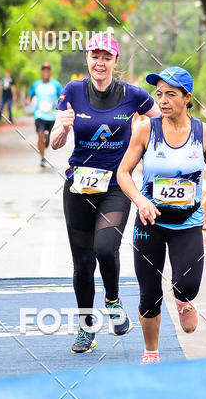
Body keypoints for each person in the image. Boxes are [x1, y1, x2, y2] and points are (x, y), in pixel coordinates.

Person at [117, 66, 206, 364]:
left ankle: (182, 300)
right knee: (149, 294)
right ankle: (151, 352)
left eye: (171, 95)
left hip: (187, 222)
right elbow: (123, 173)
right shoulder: (145, 130)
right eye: (159, 94)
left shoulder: (205, 133)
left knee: (188, 285)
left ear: (187, 98)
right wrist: (140, 201)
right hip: (149, 223)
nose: (163, 101)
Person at [50, 33, 160, 353]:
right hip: (78, 186)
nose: (99, 62)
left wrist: (150, 149)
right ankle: (86, 329)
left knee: (104, 247)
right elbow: (56, 144)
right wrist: (63, 128)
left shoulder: (133, 95)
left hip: (115, 185)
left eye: (106, 57)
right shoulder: (71, 91)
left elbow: (163, 124)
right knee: (82, 263)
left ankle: (112, 300)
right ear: (87, 58)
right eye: (94, 56)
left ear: (115, 61)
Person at [27, 62, 63, 167]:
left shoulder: (56, 84)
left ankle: (47, 140)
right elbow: (30, 95)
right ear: (41, 72)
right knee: (40, 135)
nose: (46, 72)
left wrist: (59, 103)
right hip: (39, 115)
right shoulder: (36, 84)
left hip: (52, 115)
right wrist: (27, 100)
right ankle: (42, 158)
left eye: (48, 70)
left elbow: (62, 97)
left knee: (50, 137)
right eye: (44, 70)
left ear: (50, 72)